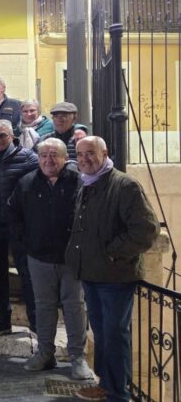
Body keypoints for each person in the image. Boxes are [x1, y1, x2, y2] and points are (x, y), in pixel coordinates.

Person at [66, 136, 159, 402]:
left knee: (115, 335)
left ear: (105, 153)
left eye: (90, 153)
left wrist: (110, 253)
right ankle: (106, 384)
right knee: (103, 334)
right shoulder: (87, 183)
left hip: (114, 276)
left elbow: (146, 230)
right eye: (80, 154)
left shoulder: (125, 185)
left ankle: (119, 393)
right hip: (92, 273)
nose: (84, 159)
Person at [7, 138, 92, 380]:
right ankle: (45, 353)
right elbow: (13, 213)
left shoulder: (79, 181)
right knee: (43, 307)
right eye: (43, 155)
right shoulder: (26, 182)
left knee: (75, 308)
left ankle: (77, 358)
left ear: (65, 158)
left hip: (72, 259)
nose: (48, 160)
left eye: (54, 155)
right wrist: (26, 241)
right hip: (39, 258)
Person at [0, 120, 39, 337]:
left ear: (12, 136)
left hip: (18, 226)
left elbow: (46, 175)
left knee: (27, 275)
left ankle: (36, 324)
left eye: (3, 135)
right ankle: (3, 321)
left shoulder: (27, 157)